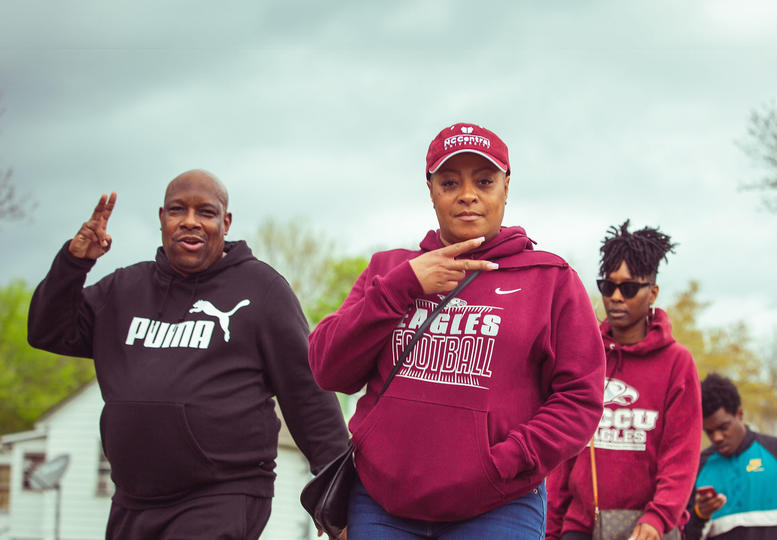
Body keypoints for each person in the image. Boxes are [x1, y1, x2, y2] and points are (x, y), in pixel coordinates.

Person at [309, 122, 606, 539]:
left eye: (484, 181)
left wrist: (506, 460)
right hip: (381, 504)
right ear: (430, 190)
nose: (467, 194)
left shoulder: (550, 279)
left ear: (506, 187)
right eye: (450, 182)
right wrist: (403, 285)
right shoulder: (390, 270)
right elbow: (328, 368)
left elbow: (580, 398)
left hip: (497, 505)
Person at [28, 170, 350, 539]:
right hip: (134, 499)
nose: (190, 222)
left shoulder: (263, 291)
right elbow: (47, 330)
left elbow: (307, 393)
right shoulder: (123, 289)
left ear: (225, 223)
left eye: (206, 213)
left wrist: (337, 499)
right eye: (178, 210)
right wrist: (73, 263)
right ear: (162, 218)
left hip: (221, 495)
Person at [546, 221, 702, 540]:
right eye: (608, 286)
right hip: (579, 527)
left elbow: (682, 455)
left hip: (647, 529)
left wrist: (658, 518)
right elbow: (564, 451)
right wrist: (551, 528)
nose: (616, 297)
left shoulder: (677, 363)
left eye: (629, 288)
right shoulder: (584, 356)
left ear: (652, 293)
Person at [684, 373, 777, 540]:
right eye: (709, 431)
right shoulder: (698, 468)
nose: (717, 437)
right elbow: (684, 534)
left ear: (739, 414)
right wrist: (700, 514)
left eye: (723, 427)